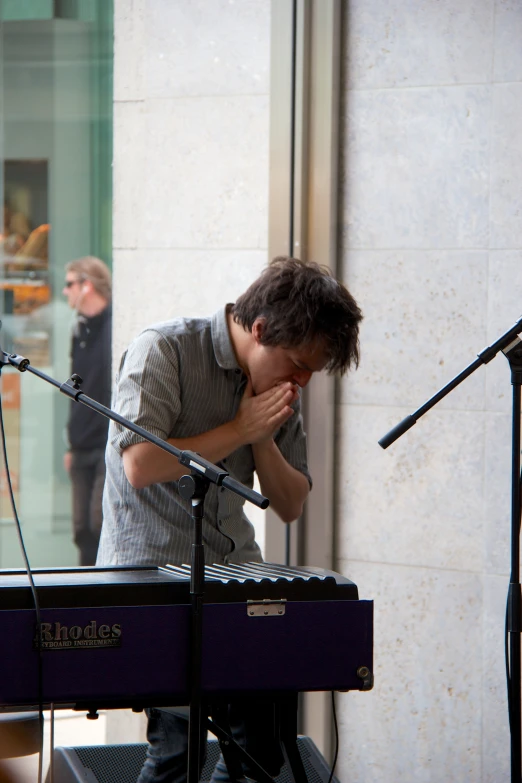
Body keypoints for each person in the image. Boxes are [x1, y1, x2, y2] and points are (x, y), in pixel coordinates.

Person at [96, 256, 363, 782]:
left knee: (261, 753)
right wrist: (240, 428)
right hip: (154, 577)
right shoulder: (165, 348)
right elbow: (140, 465)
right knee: (179, 753)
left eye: (311, 370)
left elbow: (290, 503)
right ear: (259, 329)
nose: (303, 379)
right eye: (297, 364)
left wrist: (262, 436)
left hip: (236, 578)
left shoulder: (278, 386)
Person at [63, 256, 112, 566]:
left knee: (99, 523)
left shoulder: (114, 325)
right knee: (81, 529)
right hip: (81, 445)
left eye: (69, 284)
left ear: (87, 285)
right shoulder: (79, 330)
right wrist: (70, 444)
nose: (65, 292)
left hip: (106, 444)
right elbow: (74, 390)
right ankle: (83, 593)